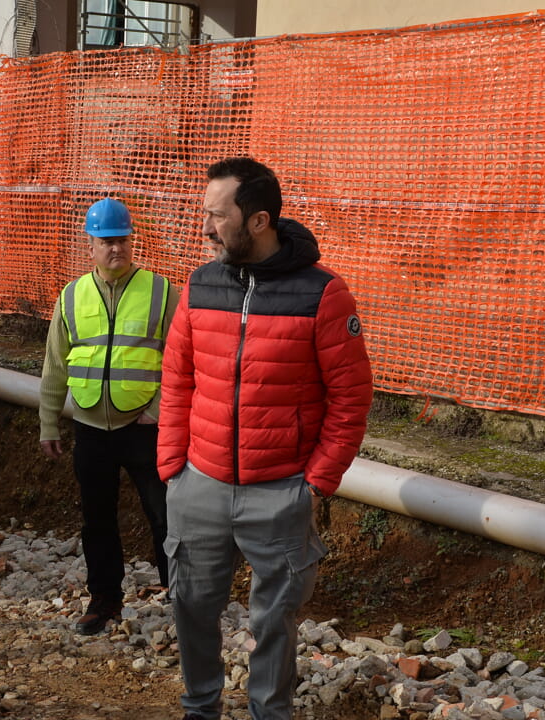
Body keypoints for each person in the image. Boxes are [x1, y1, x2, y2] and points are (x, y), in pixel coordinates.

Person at [158, 158, 373, 720]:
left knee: (274, 620)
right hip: (198, 484)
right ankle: (200, 709)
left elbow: (351, 399)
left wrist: (315, 482)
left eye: (217, 215)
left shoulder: (322, 294)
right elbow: (177, 378)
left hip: (281, 491)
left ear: (257, 221)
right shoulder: (199, 285)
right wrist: (173, 467)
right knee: (191, 606)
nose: (206, 227)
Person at [38, 197, 175, 636]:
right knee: (96, 519)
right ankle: (104, 601)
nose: (116, 248)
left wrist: (158, 410)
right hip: (91, 428)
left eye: (122, 240)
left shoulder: (161, 292)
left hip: (145, 429)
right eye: (106, 241)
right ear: (91, 245)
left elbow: (182, 359)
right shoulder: (71, 296)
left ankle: (181, 598)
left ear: (132, 241)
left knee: (165, 516)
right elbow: (55, 365)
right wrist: (48, 423)